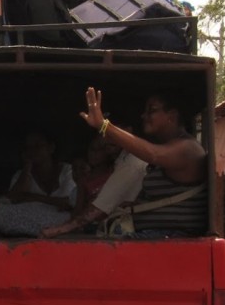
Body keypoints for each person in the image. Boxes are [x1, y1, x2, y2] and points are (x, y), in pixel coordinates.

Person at [46, 86, 207, 238]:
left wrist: (104, 126)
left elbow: (153, 154)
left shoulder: (188, 149)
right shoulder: (168, 149)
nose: (144, 116)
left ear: (171, 116)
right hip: (154, 233)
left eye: (152, 110)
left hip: (169, 237)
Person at [0, 132, 76, 237]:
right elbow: (13, 199)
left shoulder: (68, 171)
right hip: (30, 226)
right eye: (28, 148)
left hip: (61, 224)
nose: (32, 151)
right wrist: (27, 167)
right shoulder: (21, 175)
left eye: (37, 146)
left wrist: (33, 197)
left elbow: (69, 202)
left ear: (51, 148)